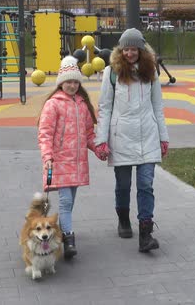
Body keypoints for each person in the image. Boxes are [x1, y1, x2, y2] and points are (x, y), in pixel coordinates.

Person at [95, 28, 169, 253]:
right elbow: (105, 108)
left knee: (146, 185)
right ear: (120, 50)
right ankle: (123, 219)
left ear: (141, 49)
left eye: (134, 48)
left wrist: (163, 137)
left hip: (147, 134)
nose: (130, 53)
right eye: (126, 49)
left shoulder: (151, 72)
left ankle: (145, 233)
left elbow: (158, 107)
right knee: (124, 185)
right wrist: (101, 140)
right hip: (121, 136)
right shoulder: (111, 73)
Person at [38, 55, 103, 259]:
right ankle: (68, 238)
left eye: (76, 81)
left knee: (71, 201)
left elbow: (88, 134)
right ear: (61, 83)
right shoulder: (53, 105)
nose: (73, 85)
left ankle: (60, 231)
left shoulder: (82, 105)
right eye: (69, 82)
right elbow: (45, 133)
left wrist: (98, 148)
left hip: (77, 163)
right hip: (59, 161)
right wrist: (47, 156)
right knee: (65, 202)